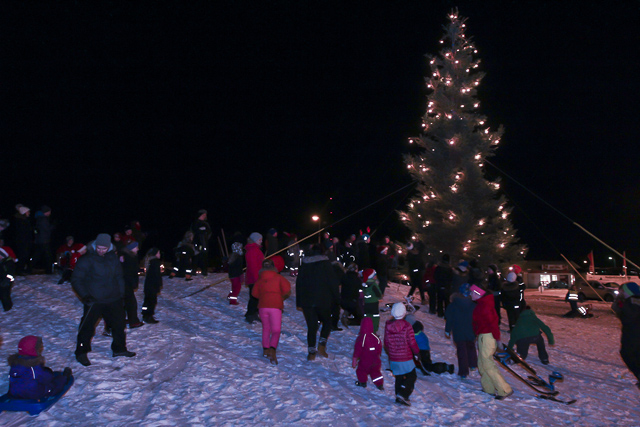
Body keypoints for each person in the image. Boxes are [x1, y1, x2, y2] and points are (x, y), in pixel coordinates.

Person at [71, 233, 135, 366]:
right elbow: (76, 279)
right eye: (99, 248)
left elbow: (119, 277)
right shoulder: (87, 259)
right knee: (87, 327)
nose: (101, 250)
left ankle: (119, 349)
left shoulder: (113, 258)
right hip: (95, 299)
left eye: (104, 248)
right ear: (95, 246)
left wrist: (121, 293)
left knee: (119, 325)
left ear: (109, 247)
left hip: (113, 298)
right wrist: (85, 295)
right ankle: (81, 352)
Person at [296, 244, 340, 361]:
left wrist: (299, 302)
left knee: (312, 327)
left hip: (307, 300)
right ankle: (321, 345)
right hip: (323, 299)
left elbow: (299, 283)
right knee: (327, 322)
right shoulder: (326, 264)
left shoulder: (304, 264)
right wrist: (337, 298)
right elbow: (333, 283)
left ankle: (311, 352)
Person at [471, 284, 513, 399]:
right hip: (483, 336)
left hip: (487, 337)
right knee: (482, 364)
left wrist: (498, 339)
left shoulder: (484, 306)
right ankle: (488, 388)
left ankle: (504, 389)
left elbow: (493, 324)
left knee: (487, 364)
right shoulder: (481, 304)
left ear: (478, 294)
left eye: (473, 292)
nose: (471, 294)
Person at [251, 259, 291, 365]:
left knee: (266, 328)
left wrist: (263, 296)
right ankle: (272, 350)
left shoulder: (260, 280)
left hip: (263, 306)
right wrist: (279, 295)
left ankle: (265, 349)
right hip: (275, 306)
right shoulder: (278, 278)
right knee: (276, 330)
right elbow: (287, 289)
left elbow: (254, 294)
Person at [7, 336, 72, 400]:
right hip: (33, 394)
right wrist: (48, 371)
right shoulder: (33, 365)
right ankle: (65, 377)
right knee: (56, 383)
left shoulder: (15, 363)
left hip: (14, 393)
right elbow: (46, 378)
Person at [384, 302, 419, 406]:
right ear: (404, 313)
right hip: (406, 357)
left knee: (399, 377)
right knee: (412, 376)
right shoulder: (407, 326)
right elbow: (412, 341)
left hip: (394, 358)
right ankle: (403, 393)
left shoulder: (388, 325)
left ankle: (398, 395)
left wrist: (390, 353)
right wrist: (416, 352)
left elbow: (386, 342)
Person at [445, 285, 478, 379]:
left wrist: (447, 330)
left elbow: (449, 319)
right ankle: (472, 364)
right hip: (470, 330)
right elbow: (476, 319)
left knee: (461, 350)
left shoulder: (453, 305)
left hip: (458, 330)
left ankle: (463, 372)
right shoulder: (473, 305)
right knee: (471, 346)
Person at [612, 282, 640, 389]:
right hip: (634, 333)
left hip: (632, 334)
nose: (621, 293)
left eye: (622, 291)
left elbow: (627, 318)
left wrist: (619, 304)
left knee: (627, 354)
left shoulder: (630, 302)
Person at [352, 317, 384, 390]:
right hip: (376, 360)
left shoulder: (361, 338)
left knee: (361, 370)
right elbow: (379, 347)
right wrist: (378, 354)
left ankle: (362, 382)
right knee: (376, 372)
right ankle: (379, 384)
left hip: (365, 361)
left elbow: (357, 350)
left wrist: (354, 360)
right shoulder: (376, 337)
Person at [119, 241, 143, 328]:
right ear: (131, 248)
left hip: (125, 283)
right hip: (126, 283)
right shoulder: (129, 257)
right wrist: (133, 283)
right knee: (131, 303)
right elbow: (129, 272)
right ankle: (133, 321)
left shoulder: (127, 256)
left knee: (126, 303)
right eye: (136, 247)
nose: (138, 249)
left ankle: (125, 319)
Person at [244, 232, 265, 324]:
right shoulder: (252, 250)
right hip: (254, 279)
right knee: (254, 297)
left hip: (257, 277)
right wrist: (257, 280)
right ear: (255, 240)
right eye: (260, 240)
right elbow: (253, 267)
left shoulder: (256, 249)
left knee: (257, 297)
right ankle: (249, 314)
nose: (261, 241)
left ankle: (254, 313)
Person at [141, 247, 163, 324]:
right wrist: (159, 284)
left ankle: (145, 314)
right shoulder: (155, 262)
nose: (159, 254)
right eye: (158, 253)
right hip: (153, 285)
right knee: (152, 301)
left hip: (148, 284)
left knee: (147, 300)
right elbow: (156, 274)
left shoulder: (149, 261)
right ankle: (149, 316)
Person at [340, 263, 363, 327]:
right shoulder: (356, 278)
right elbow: (360, 287)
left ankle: (346, 313)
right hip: (353, 301)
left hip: (343, 299)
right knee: (360, 318)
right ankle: (348, 321)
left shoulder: (344, 276)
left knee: (349, 307)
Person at [33, 206, 54, 274]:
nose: (50, 213)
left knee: (37, 255)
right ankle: (49, 271)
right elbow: (47, 229)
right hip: (44, 240)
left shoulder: (39, 218)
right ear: (46, 212)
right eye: (49, 211)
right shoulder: (43, 219)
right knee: (48, 256)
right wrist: (53, 226)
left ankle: (30, 268)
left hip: (40, 240)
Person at [191, 209, 212, 276]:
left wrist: (205, 237)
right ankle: (193, 270)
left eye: (205, 215)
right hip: (197, 242)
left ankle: (204, 271)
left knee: (204, 257)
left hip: (204, 243)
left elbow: (209, 232)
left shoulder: (206, 224)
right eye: (203, 215)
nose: (204, 216)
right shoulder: (195, 223)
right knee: (196, 256)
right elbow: (192, 232)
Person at [13, 204, 33, 275]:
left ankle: (22, 270)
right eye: (28, 212)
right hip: (22, 242)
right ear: (24, 212)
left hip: (25, 241)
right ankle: (19, 271)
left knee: (25, 256)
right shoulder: (21, 221)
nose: (29, 213)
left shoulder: (25, 220)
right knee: (22, 256)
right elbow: (22, 233)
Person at [361, 268, 382, 332]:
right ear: (372, 276)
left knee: (366, 316)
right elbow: (378, 294)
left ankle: (365, 328)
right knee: (375, 317)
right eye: (375, 275)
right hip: (374, 303)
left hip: (366, 303)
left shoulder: (363, 284)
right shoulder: (373, 285)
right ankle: (374, 330)